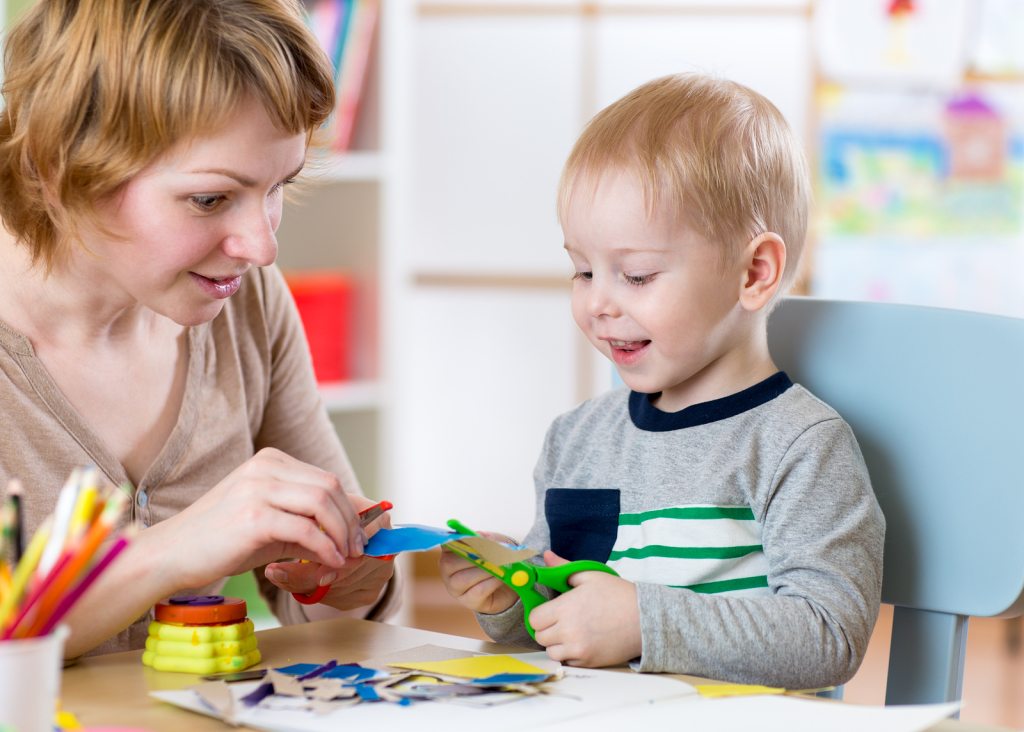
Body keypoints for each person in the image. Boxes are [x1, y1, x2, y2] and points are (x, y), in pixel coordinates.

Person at [439, 73, 884, 689]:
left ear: (754, 272)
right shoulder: (577, 439)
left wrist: (645, 624)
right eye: (582, 270)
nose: (598, 303)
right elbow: (561, 615)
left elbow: (829, 637)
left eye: (638, 276)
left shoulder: (800, 445)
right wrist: (508, 599)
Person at [0, 0, 397, 658]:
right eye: (210, 199)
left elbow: (336, 613)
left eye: (278, 186)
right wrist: (167, 553)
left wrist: (343, 579)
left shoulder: (247, 303)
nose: (262, 247)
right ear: (58, 168)